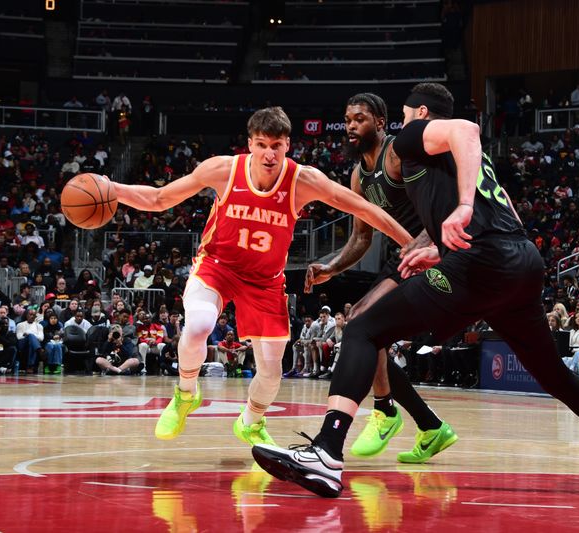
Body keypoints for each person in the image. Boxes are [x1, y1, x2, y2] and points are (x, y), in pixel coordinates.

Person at [251, 83, 579, 498]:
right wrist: (437, 246)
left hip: (479, 268)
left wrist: (465, 208)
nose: (400, 124)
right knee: (554, 375)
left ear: (419, 114)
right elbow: (494, 213)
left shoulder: (417, 136)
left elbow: (466, 131)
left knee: (363, 328)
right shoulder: (469, 163)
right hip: (520, 264)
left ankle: (327, 452)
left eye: (402, 115)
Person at [112, 106, 412, 447]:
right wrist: (111, 187)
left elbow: (365, 209)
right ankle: (185, 393)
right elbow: (159, 198)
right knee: (198, 326)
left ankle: (251, 422)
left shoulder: (304, 180)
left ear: (288, 145)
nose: (269, 154)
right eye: (261, 144)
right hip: (218, 266)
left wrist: (412, 244)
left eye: (277, 145)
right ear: (250, 144)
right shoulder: (224, 169)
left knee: (272, 370)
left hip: (265, 281)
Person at [305, 92, 457, 460]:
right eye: (347, 119)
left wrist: (425, 246)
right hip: (403, 258)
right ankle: (429, 426)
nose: (351, 125)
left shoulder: (397, 153)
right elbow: (361, 236)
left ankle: (386, 410)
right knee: (367, 333)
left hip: (431, 251)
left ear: (380, 121)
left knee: (362, 325)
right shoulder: (359, 174)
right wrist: (332, 267)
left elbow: (443, 204)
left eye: (359, 118)